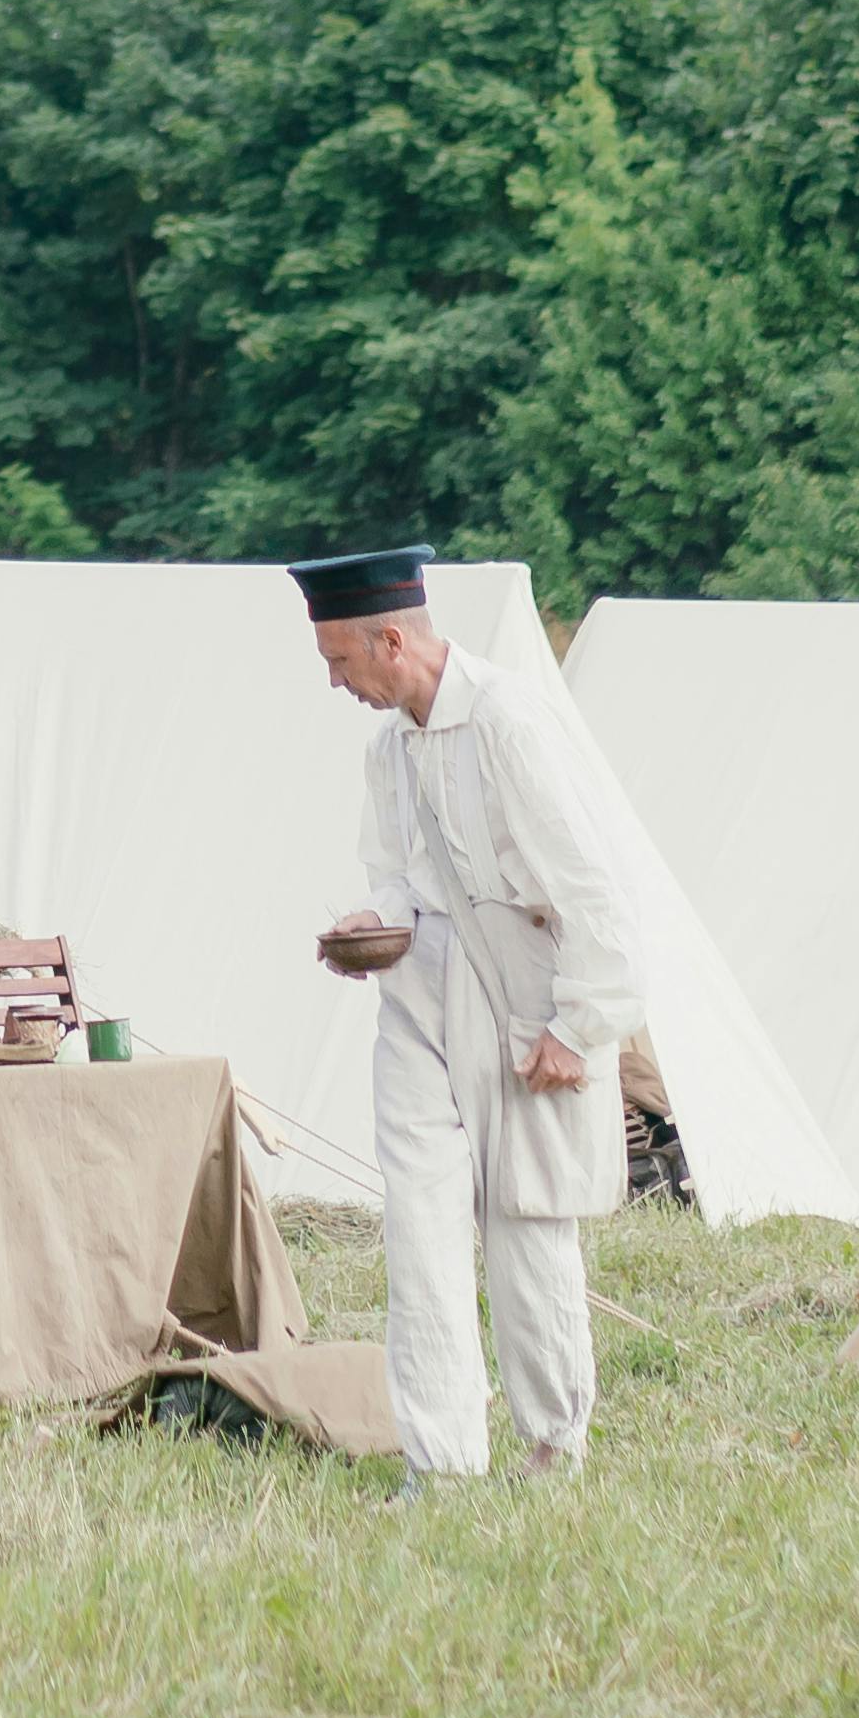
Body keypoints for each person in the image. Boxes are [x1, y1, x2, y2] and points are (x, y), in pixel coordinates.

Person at [297, 542, 642, 1487]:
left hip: (526, 994)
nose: (335, 682)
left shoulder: (507, 722)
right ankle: (441, 1460)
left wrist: (578, 1023)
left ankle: (550, 1444)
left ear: (392, 639)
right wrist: (376, 922)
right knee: (420, 1220)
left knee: (527, 1221)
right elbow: (403, 875)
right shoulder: (387, 747)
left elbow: (595, 881)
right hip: (420, 998)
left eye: (339, 660)